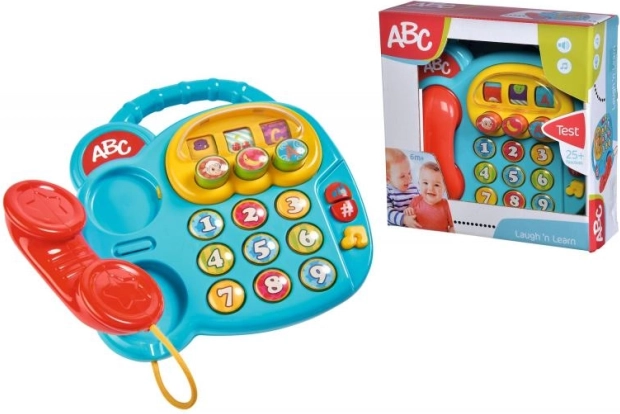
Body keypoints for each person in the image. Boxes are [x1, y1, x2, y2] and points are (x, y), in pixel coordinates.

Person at [407, 161, 455, 232]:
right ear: (419, 184)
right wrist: (407, 214)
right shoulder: (415, 201)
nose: (430, 188)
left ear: (445, 188)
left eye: (436, 185)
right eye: (425, 183)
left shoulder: (447, 205)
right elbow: (408, 221)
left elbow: (453, 226)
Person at [386, 148, 420, 227]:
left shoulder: (414, 188)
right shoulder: (388, 191)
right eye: (402, 176)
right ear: (388, 178)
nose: (408, 178)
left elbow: (420, 203)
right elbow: (387, 212)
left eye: (409, 173)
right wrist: (404, 219)